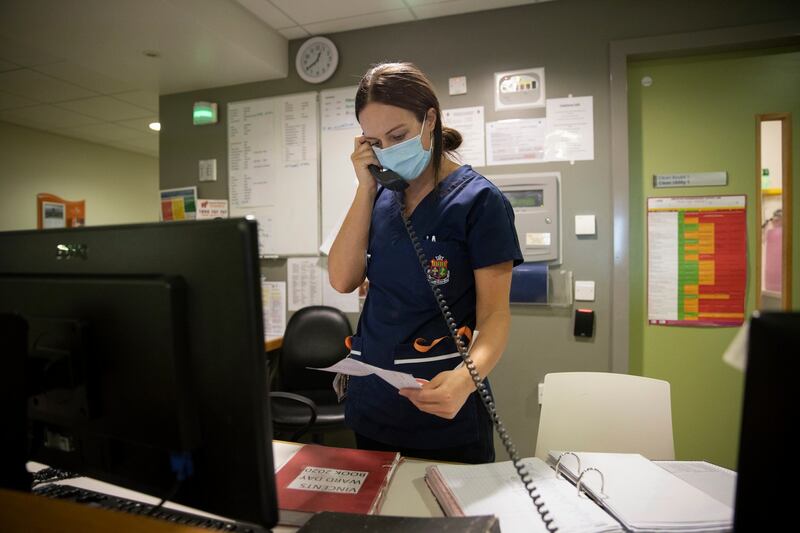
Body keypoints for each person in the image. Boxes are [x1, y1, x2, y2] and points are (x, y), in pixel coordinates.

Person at [328, 62, 523, 464]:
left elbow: (495, 317)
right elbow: (342, 279)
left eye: (398, 135)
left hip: (444, 408)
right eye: (374, 141)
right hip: (374, 405)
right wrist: (365, 188)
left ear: (430, 119)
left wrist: (465, 381)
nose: (387, 149)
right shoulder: (379, 198)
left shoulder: (479, 201)